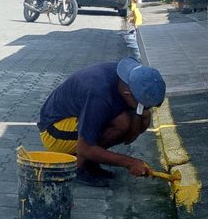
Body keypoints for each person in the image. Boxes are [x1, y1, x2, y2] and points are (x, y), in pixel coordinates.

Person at [38, 57, 166, 187]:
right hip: (54, 131)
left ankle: (90, 161)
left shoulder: (127, 77)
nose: (145, 109)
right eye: (143, 106)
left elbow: (133, 131)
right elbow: (84, 147)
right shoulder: (99, 94)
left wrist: (140, 118)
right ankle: (78, 167)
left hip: (76, 116)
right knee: (123, 123)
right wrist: (129, 162)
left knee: (135, 119)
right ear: (127, 94)